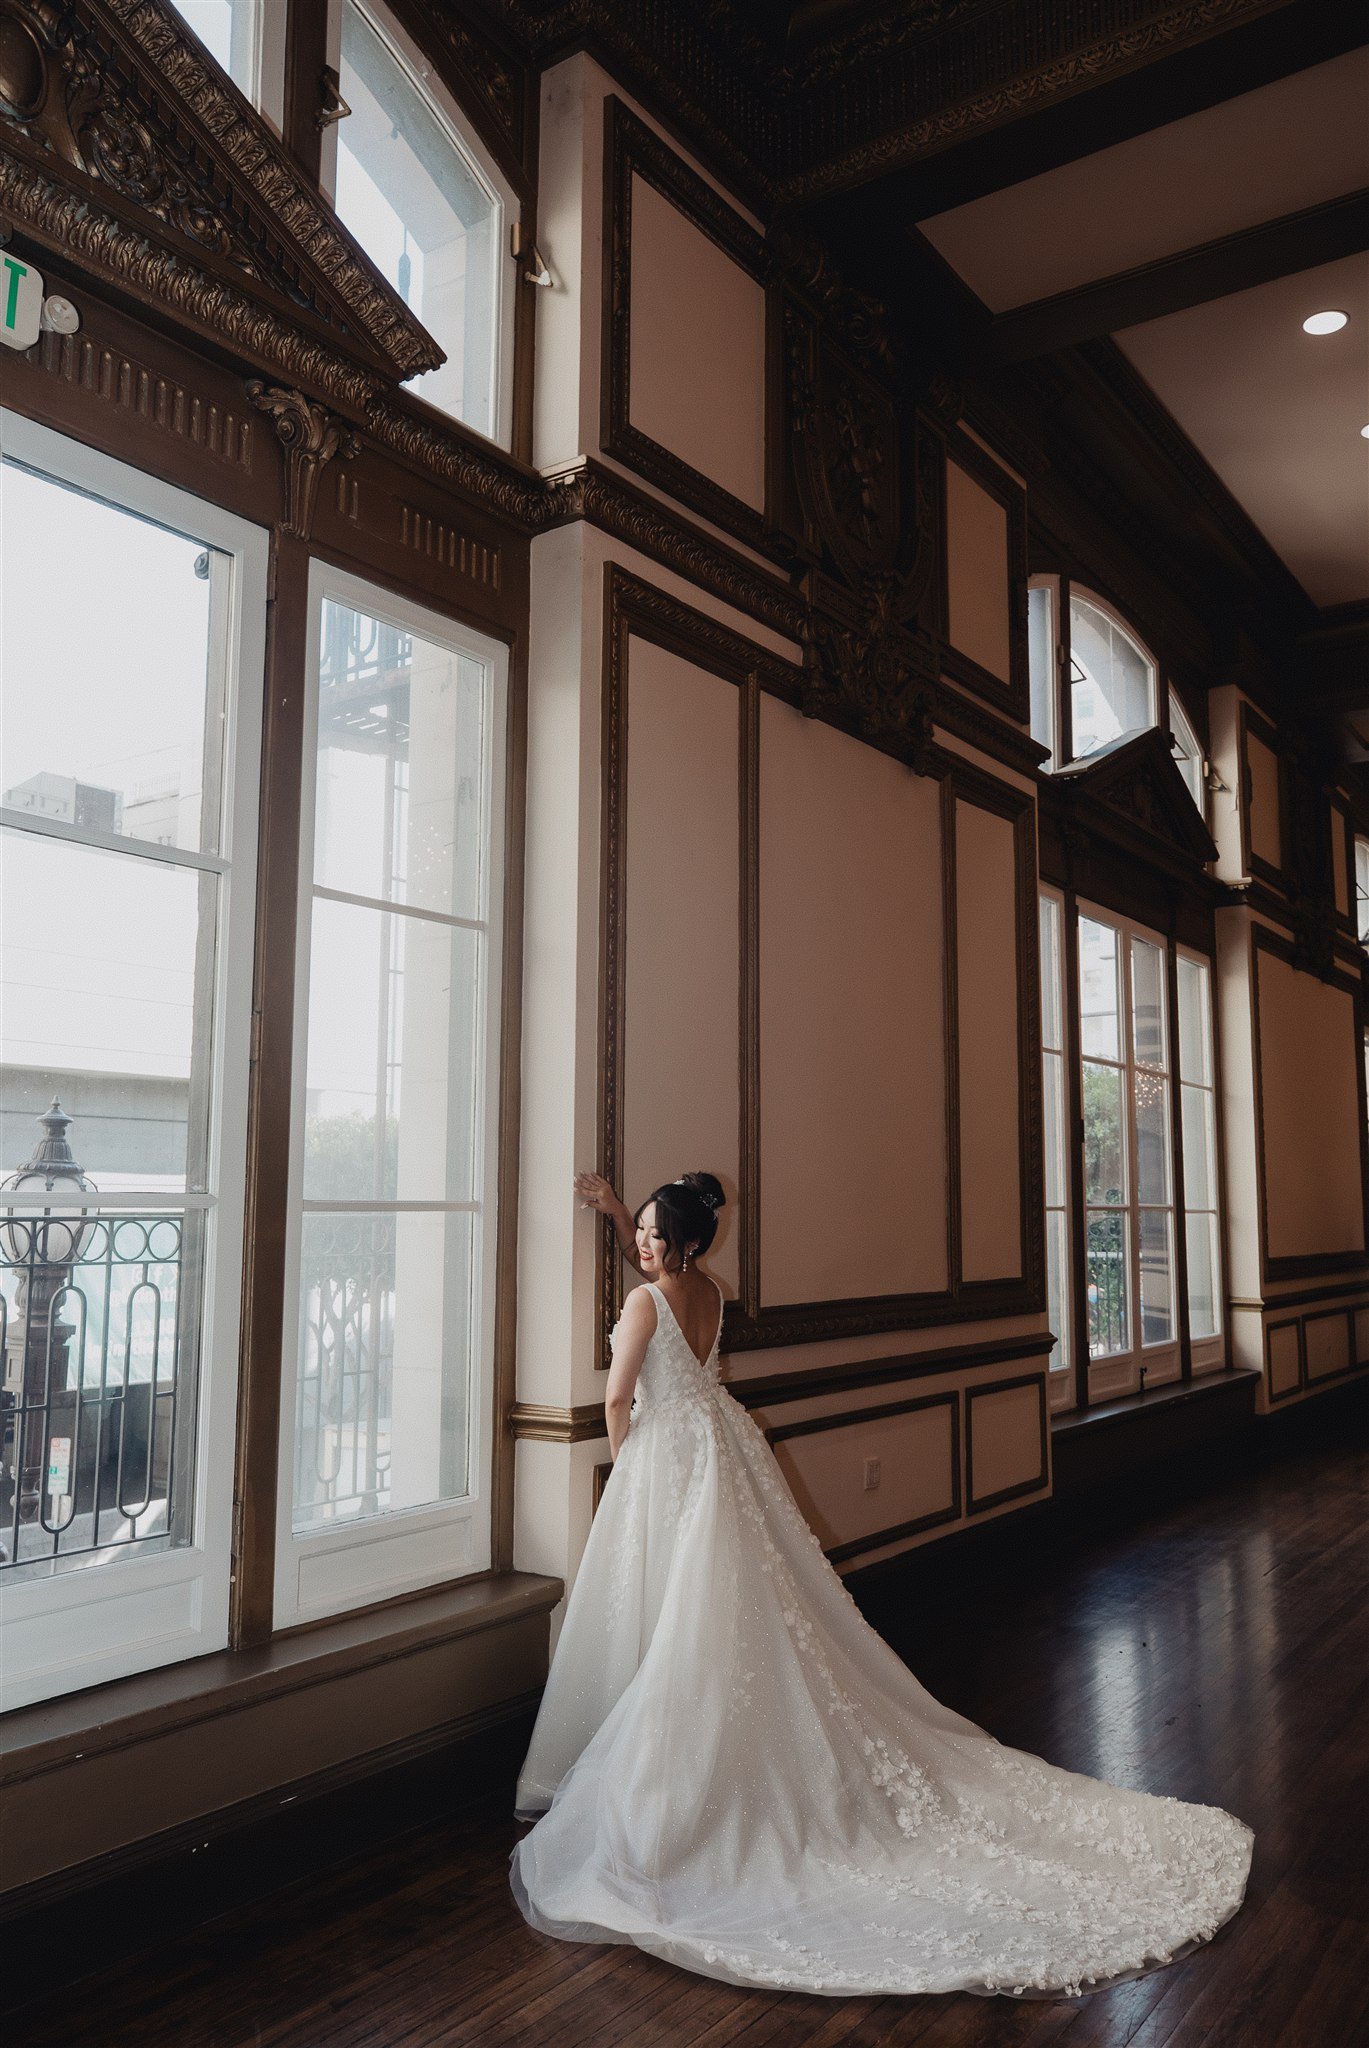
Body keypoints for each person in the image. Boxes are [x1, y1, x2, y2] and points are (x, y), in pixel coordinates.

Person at [509, 1170, 1252, 1999]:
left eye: (652, 1232)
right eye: (637, 1231)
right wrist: (619, 1214)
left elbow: (619, 1392)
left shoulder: (645, 1302)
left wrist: (624, 1464)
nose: (640, 1243)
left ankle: (676, 1792)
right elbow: (665, 1296)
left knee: (677, 1610)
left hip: (665, 1458)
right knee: (731, 1605)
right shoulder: (711, 1289)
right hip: (717, 1449)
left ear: (679, 1242)